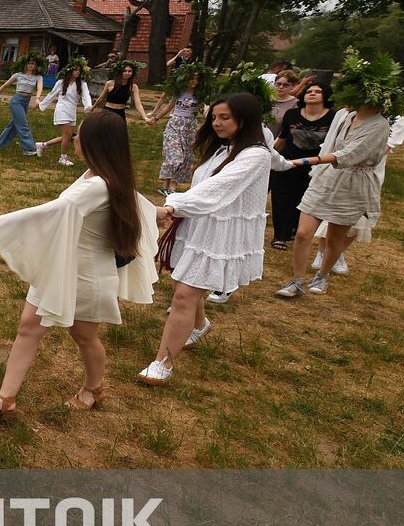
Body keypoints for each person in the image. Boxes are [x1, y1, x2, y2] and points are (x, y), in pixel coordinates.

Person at [0, 112, 158, 419]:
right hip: (63, 269)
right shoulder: (98, 176)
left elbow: (48, 212)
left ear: (96, 143)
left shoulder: (98, 185)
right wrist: (161, 211)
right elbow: (139, 202)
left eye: (80, 135)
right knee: (28, 329)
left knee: (84, 336)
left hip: (86, 275)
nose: (75, 139)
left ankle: (93, 388)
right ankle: (6, 399)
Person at [137, 94, 273, 386]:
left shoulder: (257, 155)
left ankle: (163, 363)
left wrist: (173, 206)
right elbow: (205, 186)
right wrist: (182, 207)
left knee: (184, 295)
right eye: (214, 117)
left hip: (218, 234)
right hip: (199, 225)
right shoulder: (224, 150)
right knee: (181, 282)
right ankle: (200, 324)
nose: (216, 123)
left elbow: (219, 187)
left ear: (244, 119)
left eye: (224, 117)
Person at [277, 64, 395, 299]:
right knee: (302, 233)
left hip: (353, 182)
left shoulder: (380, 125)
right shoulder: (345, 116)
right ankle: (297, 280)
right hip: (326, 178)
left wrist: (305, 161)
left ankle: (322, 275)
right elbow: (332, 144)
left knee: (334, 238)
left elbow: (349, 155)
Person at [266, 80, 333, 249]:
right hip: (289, 162)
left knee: (303, 198)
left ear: (326, 96)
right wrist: (267, 155)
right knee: (281, 198)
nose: (311, 93)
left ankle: (293, 230)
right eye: (309, 91)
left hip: (315, 166)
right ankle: (279, 235)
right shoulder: (292, 114)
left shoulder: (333, 117)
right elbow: (282, 139)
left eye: (317, 91)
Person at [144, 63, 207, 196]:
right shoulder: (179, 93)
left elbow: (206, 109)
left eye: (197, 79)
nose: (194, 81)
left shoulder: (200, 95)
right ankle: (169, 186)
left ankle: (169, 186)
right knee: (174, 156)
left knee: (184, 157)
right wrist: (155, 119)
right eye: (192, 78)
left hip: (189, 127)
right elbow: (167, 108)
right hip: (175, 124)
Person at [34, 61, 93, 166]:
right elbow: (51, 95)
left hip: (71, 111)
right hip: (62, 109)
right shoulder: (61, 83)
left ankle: (43, 144)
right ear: (69, 71)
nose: (77, 72)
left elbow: (86, 96)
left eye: (79, 70)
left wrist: (88, 106)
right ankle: (63, 157)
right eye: (75, 69)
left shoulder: (82, 84)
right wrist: (41, 104)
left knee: (68, 136)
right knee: (67, 134)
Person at [0, 55, 45, 154]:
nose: (31, 66)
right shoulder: (18, 75)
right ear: (25, 64)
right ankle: (29, 149)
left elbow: (39, 88)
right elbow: (5, 85)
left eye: (33, 64)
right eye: (29, 63)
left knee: (13, 125)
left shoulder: (38, 77)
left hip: (26, 101)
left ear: (36, 65)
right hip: (16, 101)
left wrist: (37, 98)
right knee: (23, 125)